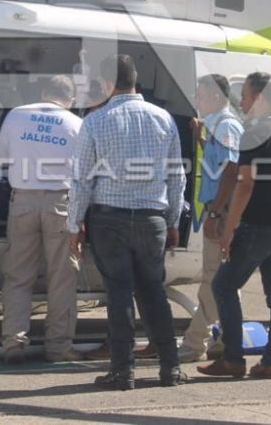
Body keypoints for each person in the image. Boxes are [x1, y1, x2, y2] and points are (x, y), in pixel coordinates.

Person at [69, 54, 188, 390]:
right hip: (152, 218)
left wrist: (74, 224)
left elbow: (81, 179)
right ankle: (170, 367)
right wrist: (173, 221)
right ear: (136, 81)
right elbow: (176, 176)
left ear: (108, 84)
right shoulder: (164, 119)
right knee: (154, 292)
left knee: (119, 294)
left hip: (110, 219)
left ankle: (123, 371)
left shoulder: (95, 121)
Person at [198, 72, 271, 380]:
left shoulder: (254, 134)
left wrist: (228, 229)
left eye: (245, 96)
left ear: (260, 98)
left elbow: (244, 185)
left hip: (258, 225)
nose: (240, 102)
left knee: (223, 285)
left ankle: (233, 358)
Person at [0, 75, 84, 364]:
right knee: (62, 278)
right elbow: (84, 173)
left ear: (44, 92)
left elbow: (2, 159)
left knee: (18, 275)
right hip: (60, 202)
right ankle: (58, 347)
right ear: (71, 99)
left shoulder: (16, 115)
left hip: (22, 200)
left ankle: (14, 342)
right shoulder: (76, 124)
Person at [180, 74, 244, 363]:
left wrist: (217, 213)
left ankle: (195, 344)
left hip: (222, 210)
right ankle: (229, 339)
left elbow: (231, 170)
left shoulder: (226, 125)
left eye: (201, 95)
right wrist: (201, 140)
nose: (198, 100)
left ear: (217, 97)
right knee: (224, 281)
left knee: (212, 279)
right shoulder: (218, 126)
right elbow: (220, 162)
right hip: (220, 208)